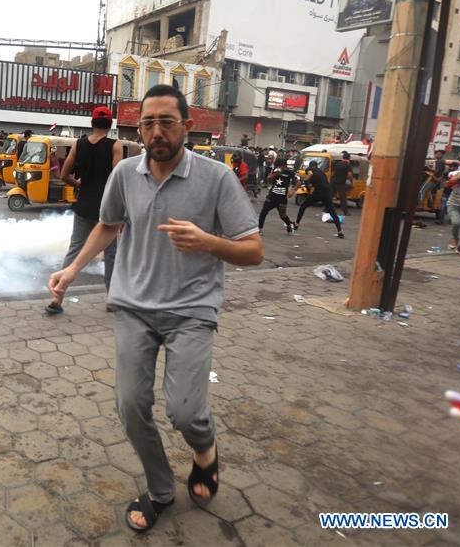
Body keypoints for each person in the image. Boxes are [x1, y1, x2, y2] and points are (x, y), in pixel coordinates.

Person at [48, 84, 263, 533]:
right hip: (133, 306)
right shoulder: (125, 173)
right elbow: (108, 226)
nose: (156, 131)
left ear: (187, 125)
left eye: (167, 121)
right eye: (148, 122)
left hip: (191, 310)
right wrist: (71, 271)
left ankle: (204, 451)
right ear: (138, 128)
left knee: (184, 411)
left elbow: (254, 250)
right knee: (130, 406)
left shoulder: (217, 178)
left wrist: (208, 242)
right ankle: (162, 488)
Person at [45, 106, 123, 316]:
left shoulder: (79, 145)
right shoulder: (116, 146)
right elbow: (118, 179)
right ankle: (112, 301)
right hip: (107, 208)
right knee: (111, 254)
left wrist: (80, 185)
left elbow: (63, 175)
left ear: (92, 123)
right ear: (110, 124)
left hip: (84, 205)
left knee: (74, 250)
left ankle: (57, 298)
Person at [294, 160, 344, 238]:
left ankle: (296, 224)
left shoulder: (309, 170)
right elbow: (316, 183)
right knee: (332, 212)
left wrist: (305, 180)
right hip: (328, 192)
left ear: (310, 166)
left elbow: (310, 175)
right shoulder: (321, 172)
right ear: (317, 166)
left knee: (303, 206)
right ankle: (340, 231)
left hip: (319, 192)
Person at [258, 158, 298, 235]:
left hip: (282, 198)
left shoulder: (290, 172)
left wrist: (292, 190)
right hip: (272, 196)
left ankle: (289, 225)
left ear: (284, 166)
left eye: (280, 166)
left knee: (282, 215)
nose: (278, 168)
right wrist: (275, 174)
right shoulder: (275, 171)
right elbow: (269, 179)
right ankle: (260, 229)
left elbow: (299, 182)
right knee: (264, 212)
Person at [331, 151, 354, 216]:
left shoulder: (337, 163)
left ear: (343, 157)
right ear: (349, 158)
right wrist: (351, 183)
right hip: (340, 183)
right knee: (343, 198)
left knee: (330, 196)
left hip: (333, 182)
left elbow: (333, 173)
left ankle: (326, 209)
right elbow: (349, 175)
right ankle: (346, 212)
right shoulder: (348, 165)